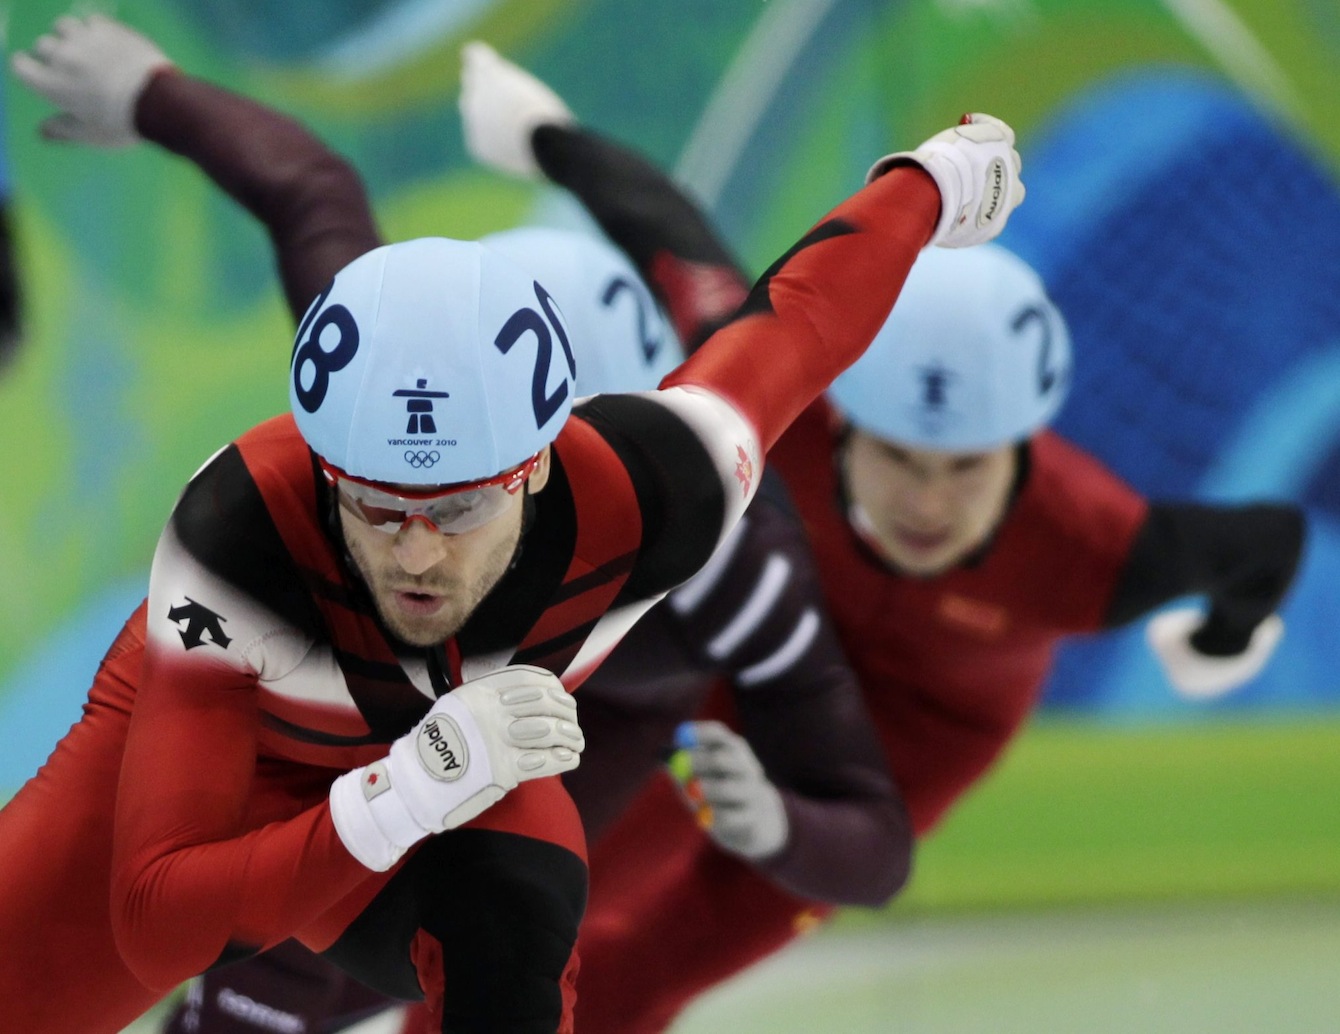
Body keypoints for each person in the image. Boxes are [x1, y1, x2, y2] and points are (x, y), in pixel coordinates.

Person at [6, 13, 1021, 1034]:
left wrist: (929, 180)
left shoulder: (664, 494)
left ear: (540, 459)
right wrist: (404, 789)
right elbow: (157, 921)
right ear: (326, 453)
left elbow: (800, 325)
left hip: (479, 753)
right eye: (372, 504)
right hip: (248, 757)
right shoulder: (248, 522)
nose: (414, 552)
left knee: (517, 909)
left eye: (457, 506)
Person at [452, 43, 1309, 1034]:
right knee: (510, 930)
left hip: (909, 747)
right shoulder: (782, 407)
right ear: (844, 423)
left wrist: (1222, 638)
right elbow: (671, 241)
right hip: (758, 674)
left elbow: (1267, 541)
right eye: (899, 456)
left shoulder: (1094, 550)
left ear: (1021, 451)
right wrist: (543, 134)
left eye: (966, 467)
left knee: (637, 974)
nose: (928, 502)